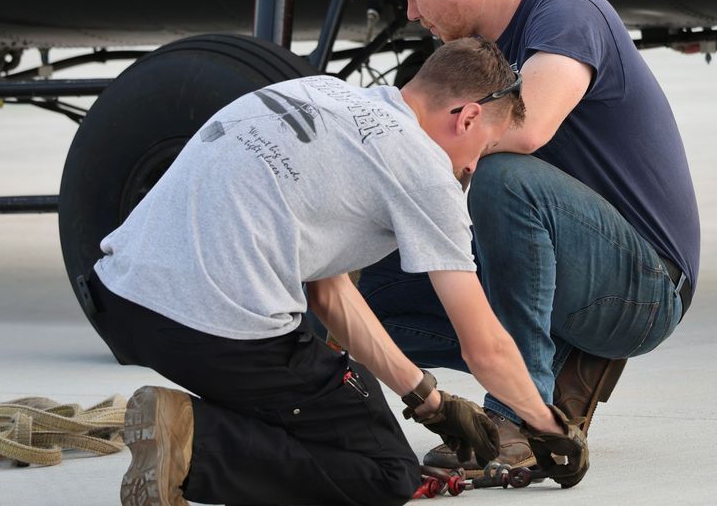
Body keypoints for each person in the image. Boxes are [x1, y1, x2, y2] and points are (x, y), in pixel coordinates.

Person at [84, 37, 587, 506]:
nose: (474, 166)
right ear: (468, 117)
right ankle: (195, 441)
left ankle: (193, 430)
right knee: (385, 469)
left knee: (334, 410)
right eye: (484, 148)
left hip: (121, 300)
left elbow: (330, 293)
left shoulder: (322, 94)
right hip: (213, 326)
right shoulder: (424, 170)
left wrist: (427, 399)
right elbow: (486, 347)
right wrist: (547, 426)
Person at [354, 0, 699, 475]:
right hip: (560, 266)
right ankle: (524, 376)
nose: (411, 14)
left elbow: (528, 125)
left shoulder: (566, 12)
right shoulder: (470, 59)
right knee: (355, 285)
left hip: (644, 286)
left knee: (503, 179)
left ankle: (519, 413)